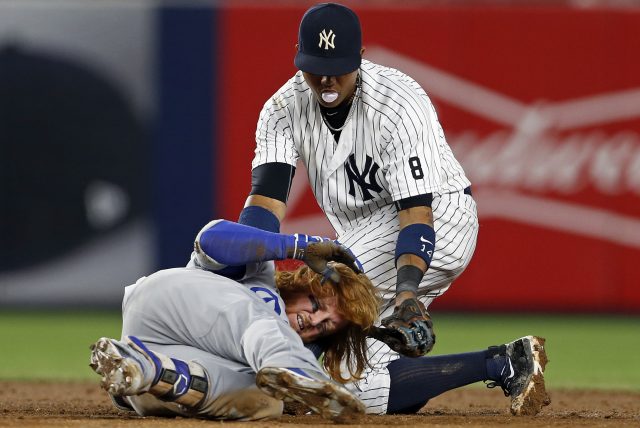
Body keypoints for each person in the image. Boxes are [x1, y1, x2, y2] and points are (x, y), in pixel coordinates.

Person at [238, 2, 479, 413]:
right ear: (297, 54)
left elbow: (415, 214)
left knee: (315, 304)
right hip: (361, 236)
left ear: (361, 57)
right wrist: (243, 270)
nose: (327, 77)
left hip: (440, 219)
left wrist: (406, 293)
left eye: (338, 66)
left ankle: (236, 381)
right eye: (316, 65)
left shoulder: (398, 102)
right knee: (352, 386)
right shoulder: (282, 108)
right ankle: (504, 362)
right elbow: (265, 203)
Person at [90, 219, 380, 421]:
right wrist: (297, 246)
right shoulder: (258, 274)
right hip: (166, 308)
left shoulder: (273, 367)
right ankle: (295, 368)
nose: (314, 320)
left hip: (154, 355)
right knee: (262, 322)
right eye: (316, 303)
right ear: (304, 284)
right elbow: (210, 238)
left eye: (327, 326)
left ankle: (146, 370)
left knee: (265, 402)